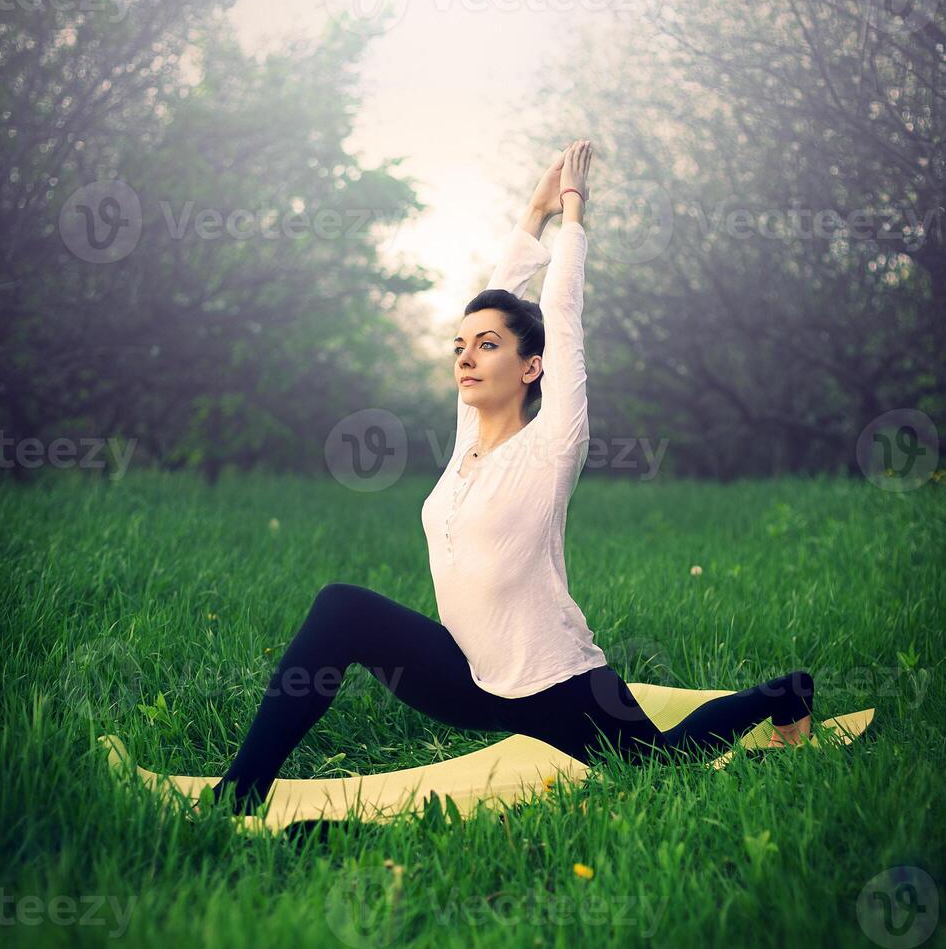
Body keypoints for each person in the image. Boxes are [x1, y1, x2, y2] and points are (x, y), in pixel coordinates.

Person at [209, 140, 814, 817]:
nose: (467, 357)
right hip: (464, 676)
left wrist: (575, 212)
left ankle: (784, 694)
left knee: (660, 762)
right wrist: (532, 214)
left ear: (532, 368)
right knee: (341, 607)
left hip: (552, 681)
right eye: (461, 347)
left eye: (488, 347)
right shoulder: (468, 435)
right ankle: (238, 795)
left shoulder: (554, 445)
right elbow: (497, 296)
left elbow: (560, 317)